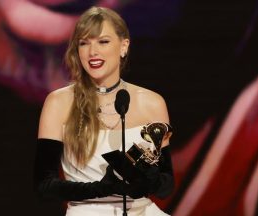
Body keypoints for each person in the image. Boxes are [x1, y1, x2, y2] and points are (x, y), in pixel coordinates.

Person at [33, 6, 174, 216]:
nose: (93, 52)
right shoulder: (59, 103)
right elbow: (44, 184)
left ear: (124, 46)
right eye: (84, 43)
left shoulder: (152, 103)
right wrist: (102, 188)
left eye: (103, 41)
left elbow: (166, 185)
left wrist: (148, 181)